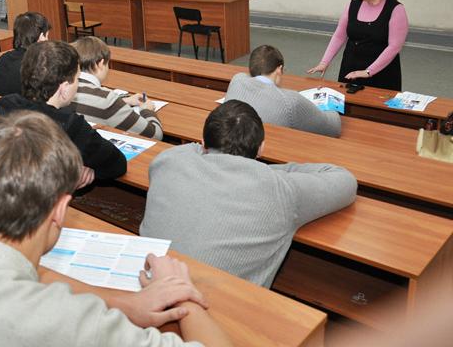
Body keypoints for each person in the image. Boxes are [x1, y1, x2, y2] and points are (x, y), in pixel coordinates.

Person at [0, 110, 232, 346]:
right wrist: (182, 292)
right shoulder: (75, 326)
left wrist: (129, 304)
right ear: (61, 209)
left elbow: (28, 274)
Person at [140, 100, 357, 288]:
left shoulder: (168, 160)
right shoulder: (279, 189)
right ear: (261, 149)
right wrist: (268, 171)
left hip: (145, 285)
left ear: (204, 142)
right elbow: (344, 180)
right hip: (217, 315)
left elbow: (193, 151)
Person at [0, 40, 126, 186]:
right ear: (65, 88)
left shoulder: (4, 103)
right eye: (77, 79)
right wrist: (78, 171)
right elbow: (117, 164)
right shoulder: (69, 124)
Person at [307, 0, 408, 91]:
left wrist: (368, 72)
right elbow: (339, 35)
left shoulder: (396, 9)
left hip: (381, 73)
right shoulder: (353, 4)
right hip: (350, 69)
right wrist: (324, 62)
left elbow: (394, 47)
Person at [226, 45, 341, 137]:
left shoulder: (237, 80)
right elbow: (333, 127)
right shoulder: (290, 101)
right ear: (279, 69)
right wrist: (329, 104)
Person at [72, 36, 163, 139]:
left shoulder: (63, 87)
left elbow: (91, 100)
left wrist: (123, 100)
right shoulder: (106, 99)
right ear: (100, 64)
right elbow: (156, 135)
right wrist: (147, 110)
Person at [0, 11, 49, 96]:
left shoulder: (3, 58)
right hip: (23, 108)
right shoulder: (37, 65)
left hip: (0, 106)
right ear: (41, 38)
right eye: (47, 36)